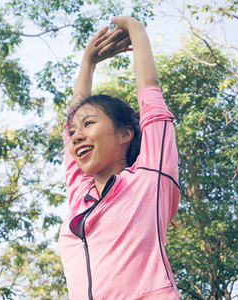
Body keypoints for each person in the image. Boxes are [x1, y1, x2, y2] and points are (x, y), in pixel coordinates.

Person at [58, 16, 180, 299]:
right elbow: (70, 127)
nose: (76, 135)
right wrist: (88, 62)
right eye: (74, 131)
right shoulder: (81, 196)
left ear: (125, 134)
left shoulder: (151, 178)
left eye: (89, 124)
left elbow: (151, 95)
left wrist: (136, 30)